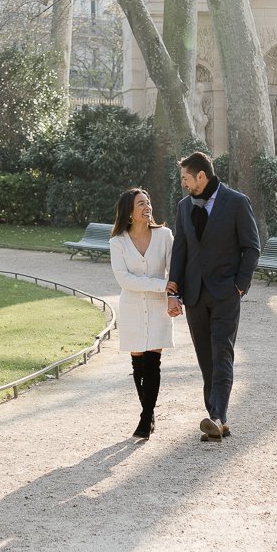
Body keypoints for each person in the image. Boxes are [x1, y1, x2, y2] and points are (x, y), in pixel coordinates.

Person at [165, 151, 261, 443]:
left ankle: (217, 416)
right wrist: (174, 292)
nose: (183, 184)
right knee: (205, 357)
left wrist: (240, 286)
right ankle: (219, 418)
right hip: (194, 295)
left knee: (222, 353)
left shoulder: (236, 202)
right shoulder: (184, 207)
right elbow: (180, 251)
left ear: (201, 176)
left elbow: (252, 248)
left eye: (186, 179)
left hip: (225, 294)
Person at [109, 188, 176, 440]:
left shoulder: (164, 236)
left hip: (159, 308)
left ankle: (145, 418)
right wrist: (161, 285)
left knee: (153, 363)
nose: (147, 207)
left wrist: (173, 296)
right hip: (132, 309)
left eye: (148, 202)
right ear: (129, 212)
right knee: (138, 364)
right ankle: (148, 413)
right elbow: (125, 279)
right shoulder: (117, 242)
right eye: (140, 204)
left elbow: (174, 270)